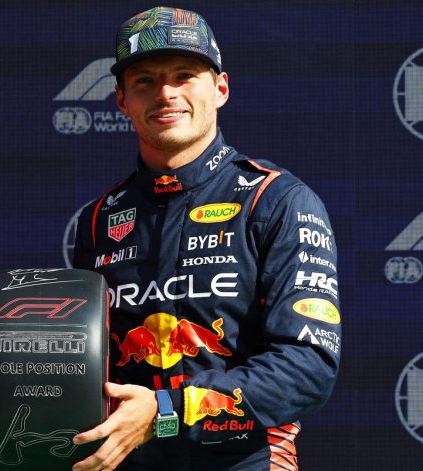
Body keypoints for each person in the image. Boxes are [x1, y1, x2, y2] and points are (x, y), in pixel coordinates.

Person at [71, 7, 340, 470]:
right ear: (122, 100)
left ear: (220, 89)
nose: (166, 93)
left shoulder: (276, 200)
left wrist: (167, 411)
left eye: (184, 76)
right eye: (145, 81)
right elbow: (84, 366)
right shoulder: (98, 219)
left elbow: (308, 367)